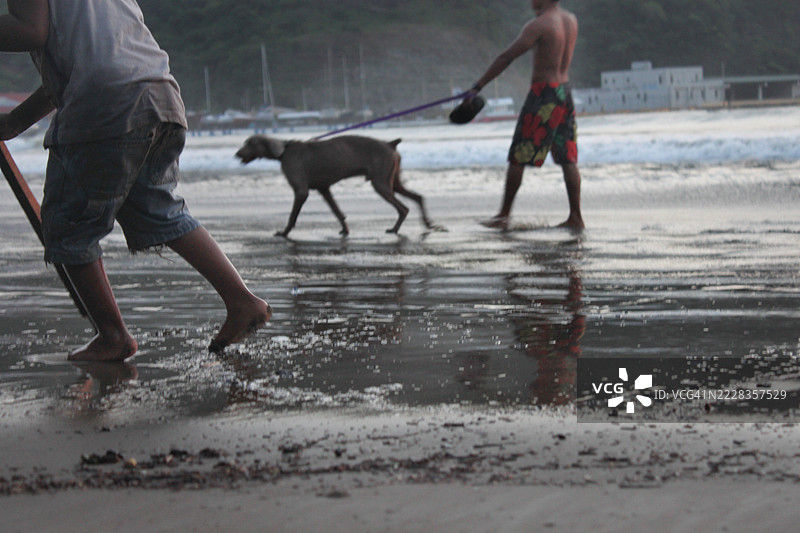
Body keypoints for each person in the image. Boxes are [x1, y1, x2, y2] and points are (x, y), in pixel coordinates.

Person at [0, 0, 271, 361]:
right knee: (157, 209)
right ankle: (242, 300)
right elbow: (82, 67)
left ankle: (113, 336)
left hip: (104, 109)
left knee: (68, 225)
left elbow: (32, 30)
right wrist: (16, 122)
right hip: (159, 98)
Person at [471, 0, 584, 230]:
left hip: (544, 94)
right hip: (564, 92)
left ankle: (503, 216)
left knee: (518, 155)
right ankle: (576, 216)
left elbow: (506, 57)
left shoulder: (539, 25)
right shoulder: (570, 20)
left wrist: (478, 85)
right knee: (567, 156)